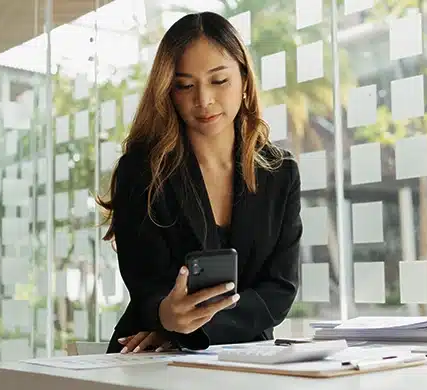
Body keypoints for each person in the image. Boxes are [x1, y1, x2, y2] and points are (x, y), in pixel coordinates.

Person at [96, 11, 303, 354]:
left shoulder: (280, 173)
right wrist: (167, 314)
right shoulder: (142, 171)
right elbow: (145, 282)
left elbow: (279, 290)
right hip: (150, 357)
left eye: (219, 81)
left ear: (244, 80)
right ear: (168, 91)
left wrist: (187, 330)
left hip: (246, 357)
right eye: (185, 85)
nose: (203, 100)